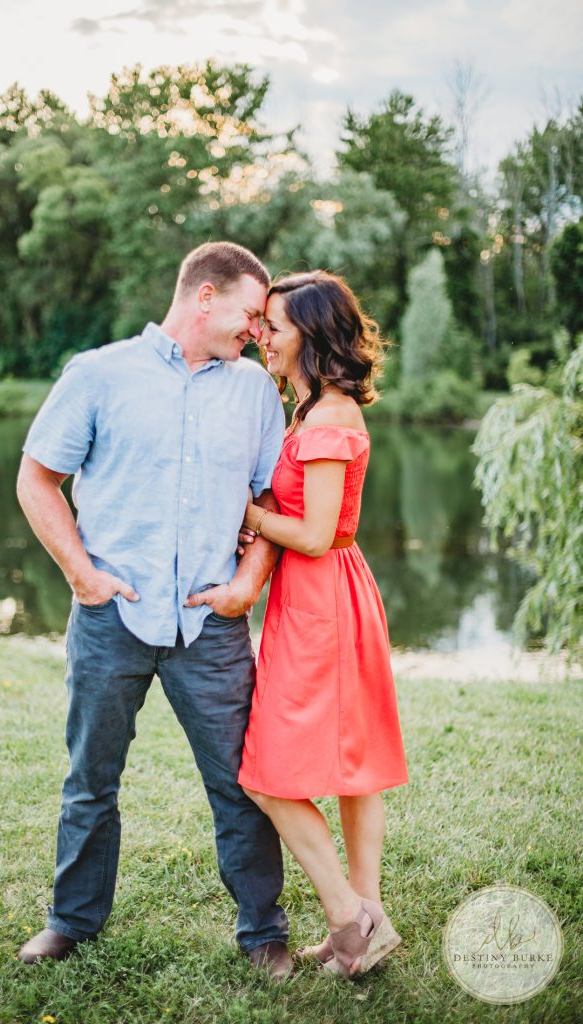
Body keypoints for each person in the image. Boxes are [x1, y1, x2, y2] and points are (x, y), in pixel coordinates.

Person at [15, 241, 293, 979]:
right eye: (249, 315)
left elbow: (271, 500)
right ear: (204, 297)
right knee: (89, 780)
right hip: (114, 616)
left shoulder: (255, 391)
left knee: (241, 784)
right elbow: (38, 478)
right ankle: (71, 922)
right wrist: (81, 575)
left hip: (212, 623)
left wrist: (247, 586)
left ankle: (264, 931)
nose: (257, 333)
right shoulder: (99, 375)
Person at [235, 271, 408, 979]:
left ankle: (351, 917)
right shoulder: (310, 411)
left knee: (267, 775)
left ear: (310, 331)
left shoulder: (330, 418)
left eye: (272, 326)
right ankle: (369, 921)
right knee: (352, 769)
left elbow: (312, 533)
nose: (261, 338)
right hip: (318, 597)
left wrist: (242, 511)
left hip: (323, 602)